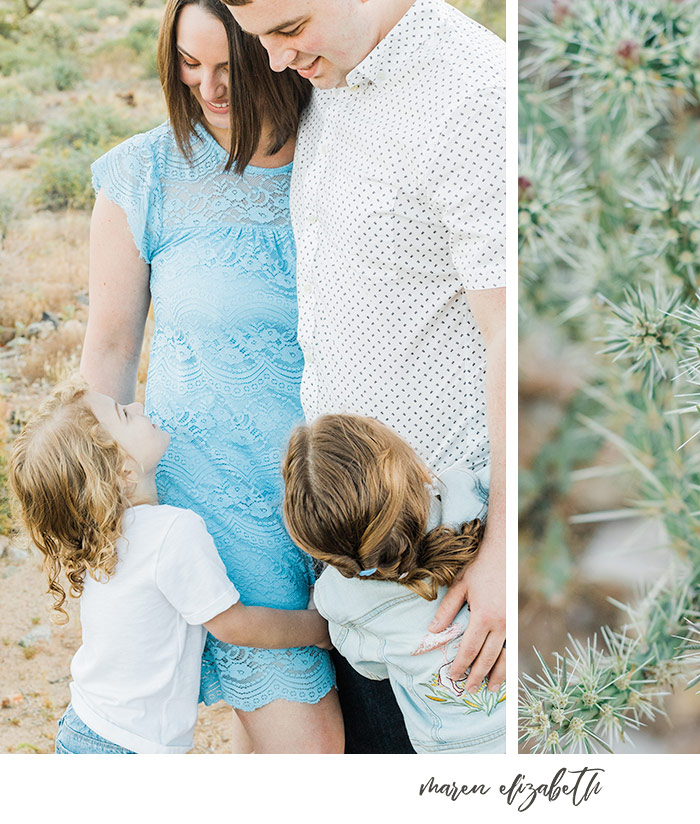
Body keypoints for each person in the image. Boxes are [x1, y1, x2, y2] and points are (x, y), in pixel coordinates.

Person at [222, 0, 506, 752]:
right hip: (354, 546)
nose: (277, 61)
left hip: (451, 557)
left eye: (288, 32)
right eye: (261, 40)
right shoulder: (325, 77)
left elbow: (516, 330)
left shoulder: (471, 93)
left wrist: (509, 550)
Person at [78, 0, 344, 753]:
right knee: (310, 750)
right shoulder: (144, 173)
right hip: (221, 501)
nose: (208, 89)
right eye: (189, 66)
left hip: (353, 497)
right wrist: (103, 505)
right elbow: (109, 353)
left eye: (228, 66)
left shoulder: (340, 143)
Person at [7, 378, 331, 754]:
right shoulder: (173, 530)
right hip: (128, 748)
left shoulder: (102, 537)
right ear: (122, 469)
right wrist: (320, 628)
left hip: (85, 726)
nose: (139, 407)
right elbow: (233, 624)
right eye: (124, 414)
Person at [281, 413, 504, 753]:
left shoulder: (340, 601)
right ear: (414, 468)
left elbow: (370, 668)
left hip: (449, 751)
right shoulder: (469, 494)